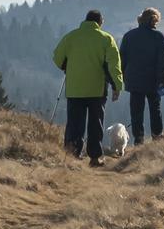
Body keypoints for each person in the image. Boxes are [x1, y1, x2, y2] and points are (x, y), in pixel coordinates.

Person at [51, 9, 123, 167]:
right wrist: (117, 86)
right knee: (95, 123)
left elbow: (57, 57)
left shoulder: (71, 36)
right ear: (100, 22)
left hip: (75, 88)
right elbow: (113, 65)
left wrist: (66, 66)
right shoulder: (106, 39)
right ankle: (95, 157)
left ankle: (71, 155)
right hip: (97, 89)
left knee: (75, 123)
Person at [120, 6, 164, 145]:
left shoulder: (129, 36)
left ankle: (138, 139)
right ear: (154, 20)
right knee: (155, 109)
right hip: (153, 81)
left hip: (134, 80)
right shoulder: (158, 37)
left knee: (136, 112)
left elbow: (122, 59)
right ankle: (157, 136)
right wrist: (163, 80)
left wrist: (123, 77)